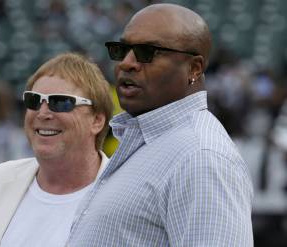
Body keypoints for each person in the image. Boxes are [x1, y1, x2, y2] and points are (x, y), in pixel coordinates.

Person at [67, 3, 254, 247]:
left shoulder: (202, 157)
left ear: (194, 68)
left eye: (147, 52)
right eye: (123, 50)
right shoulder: (152, 142)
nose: (127, 63)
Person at [0, 52, 114, 247]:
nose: (42, 113)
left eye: (60, 102)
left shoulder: (128, 195)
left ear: (97, 120)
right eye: (33, 101)